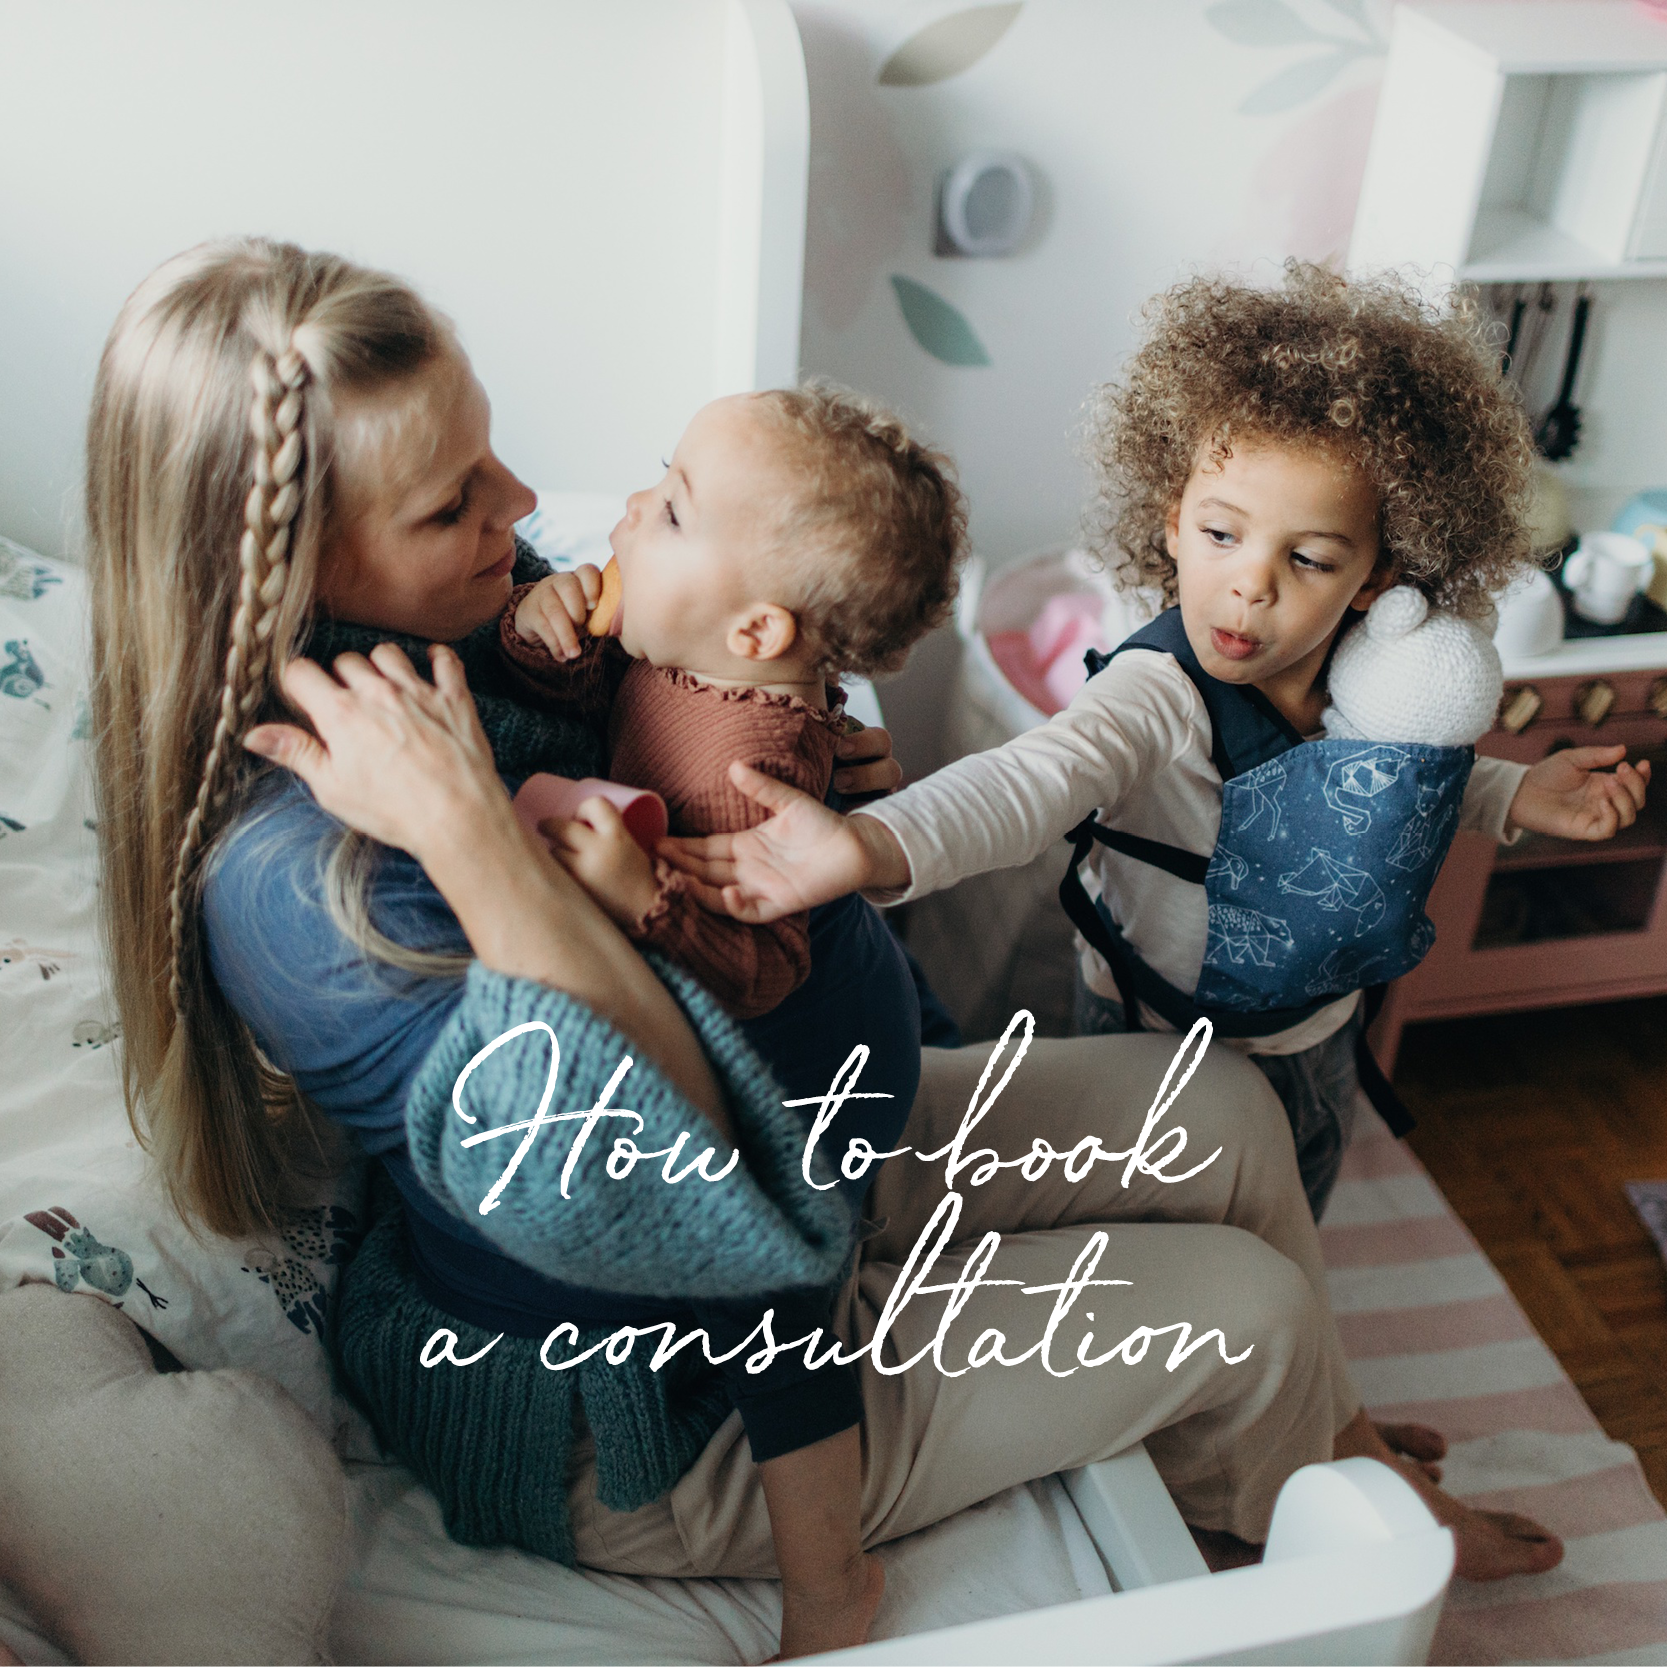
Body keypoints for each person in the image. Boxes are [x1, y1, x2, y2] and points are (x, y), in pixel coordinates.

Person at [84, 242, 1555, 1667]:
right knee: (1255, 1311)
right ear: (288, 557)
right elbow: (678, 1186)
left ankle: (1332, 1438)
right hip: (658, 1394)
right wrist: (475, 840)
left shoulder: (457, 617)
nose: (526, 507)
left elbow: (688, 685)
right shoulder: (314, 886)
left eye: (496, 457)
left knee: (1222, 1112)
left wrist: (801, 753)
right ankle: (1296, 1498)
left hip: (816, 1134)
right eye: (453, 498)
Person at [664, 264, 1649, 1223]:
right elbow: (1033, 779)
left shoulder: (1371, 676)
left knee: (1292, 1210)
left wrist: (1513, 795)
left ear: (1370, 577)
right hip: (1153, 1030)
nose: (1250, 583)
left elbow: (1381, 791)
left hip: (1314, 1028)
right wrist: (873, 843)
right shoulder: (1157, 691)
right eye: (1221, 534)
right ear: (1171, 520)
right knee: (1164, 1226)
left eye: (1304, 558)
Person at [496, 381, 965, 1617]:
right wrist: (541, 623)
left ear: (755, 632)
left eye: (671, 510)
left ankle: (827, 1588)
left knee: (783, 1331)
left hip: (805, 1068)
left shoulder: (751, 769)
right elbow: (588, 698)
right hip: (782, 1048)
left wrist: (637, 892)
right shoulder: (676, 644)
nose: (633, 507)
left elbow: (759, 965)